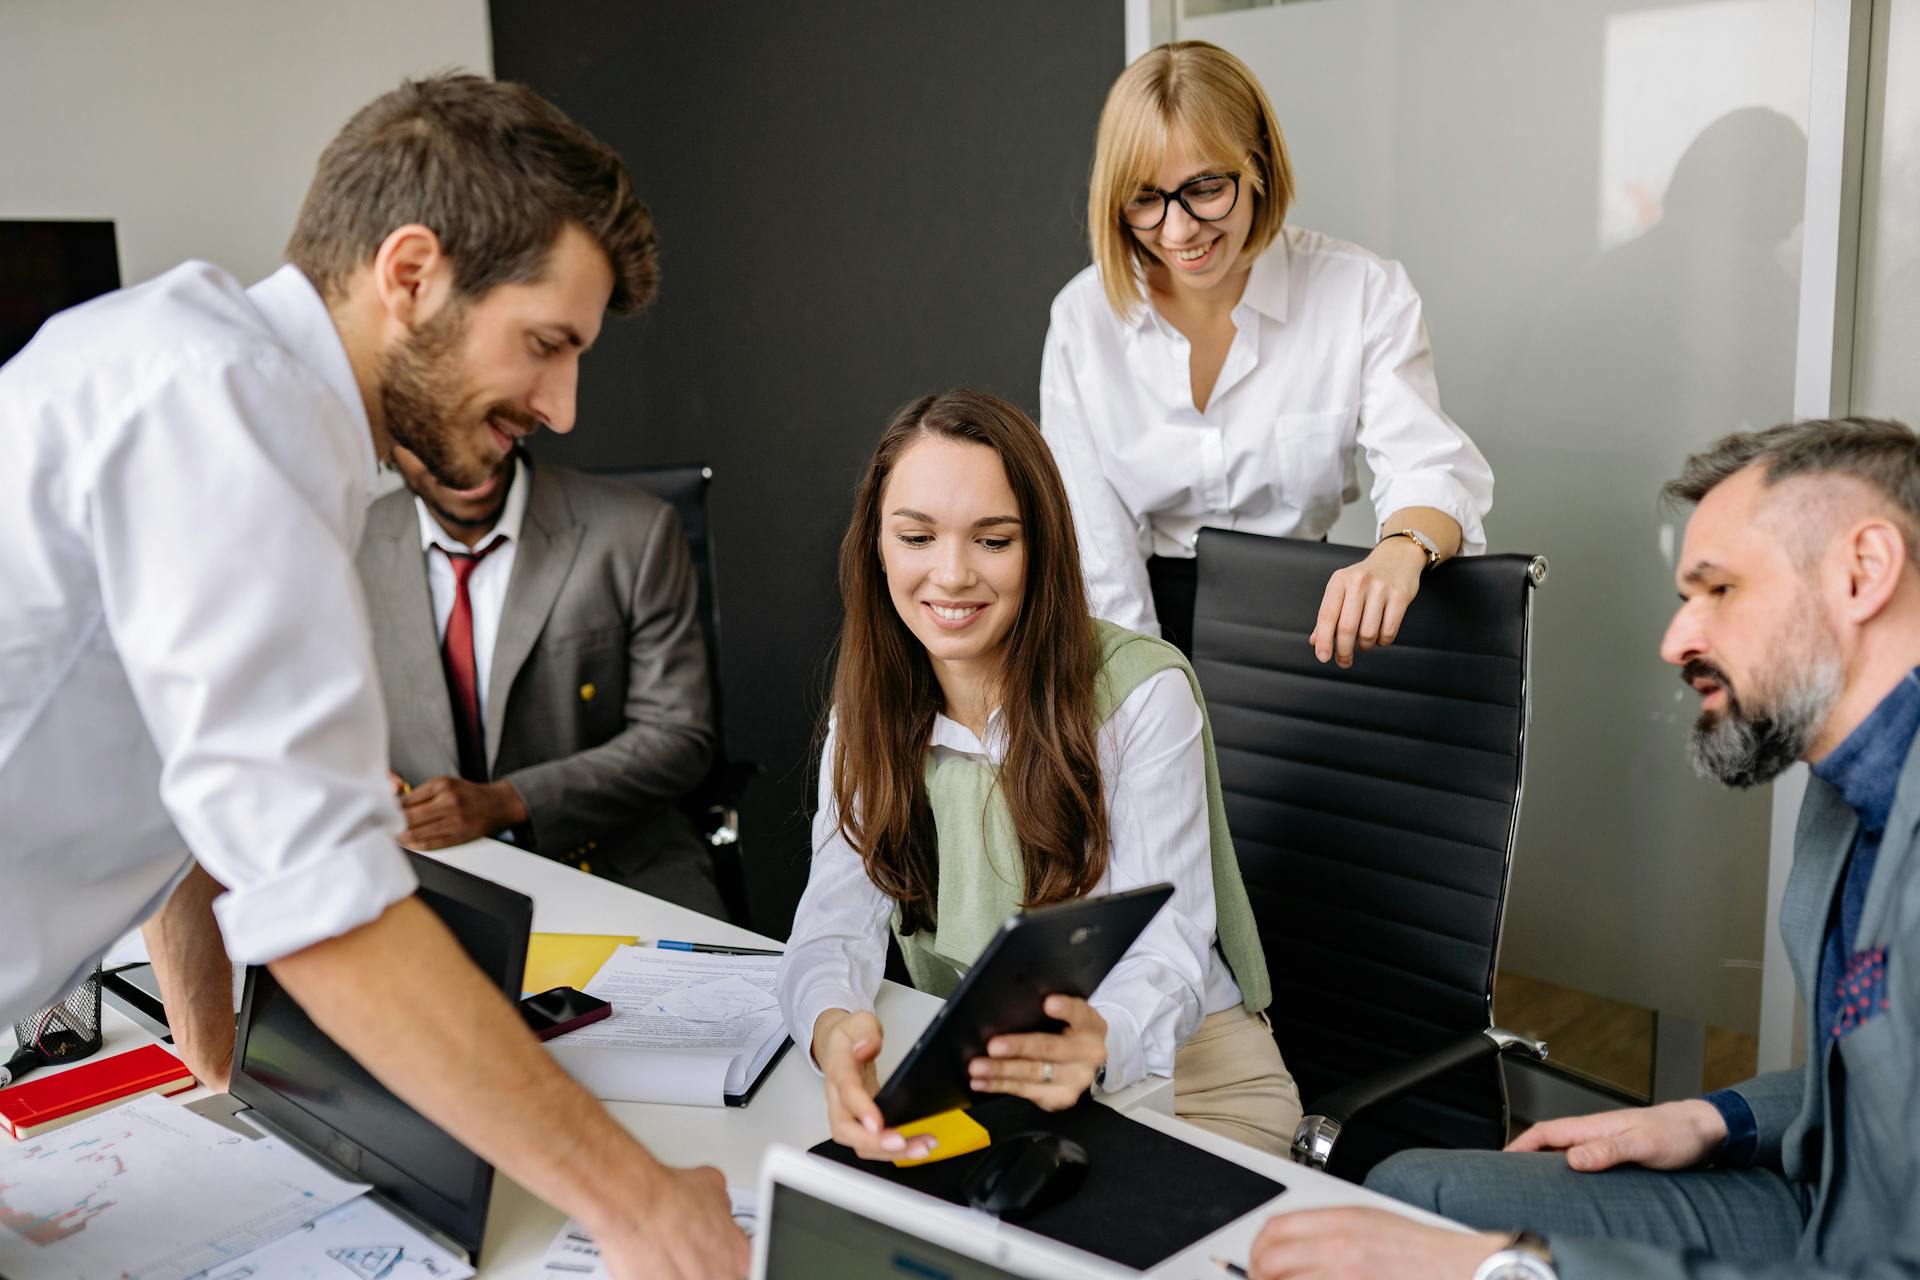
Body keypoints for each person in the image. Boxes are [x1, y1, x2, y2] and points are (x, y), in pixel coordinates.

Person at [0, 75, 743, 1279]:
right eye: (546, 344)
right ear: (411, 274)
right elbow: (328, 910)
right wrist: (644, 1205)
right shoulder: (229, 411)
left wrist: (224, 1077)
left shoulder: (200, 368)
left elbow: (194, 804)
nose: (558, 406)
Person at [1242, 417, 1920, 1280]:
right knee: (1415, 1188)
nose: (1677, 640)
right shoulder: (1843, 786)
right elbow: (1876, 1072)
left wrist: (1510, 1272)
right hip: (1822, 1198)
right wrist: (1717, 1119)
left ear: (1864, 572)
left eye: (1719, 591)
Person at [776, 389, 1300, 1161]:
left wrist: (1098, 1041)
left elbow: (1169, 948)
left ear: (1040, 550)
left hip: (1194, 1078)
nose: (950, 576)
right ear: (877, 546)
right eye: (917, 536)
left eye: (992, 541)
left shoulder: (1140, 693)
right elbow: (830, 924)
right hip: (1001, 1083)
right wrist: (832, 1027)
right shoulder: (868, 715)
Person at [1040, 40, 1493, 664]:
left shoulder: (1360, 292)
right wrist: (1143, 686)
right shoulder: (1083, 320)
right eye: (1146, 198)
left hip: (1316, 628)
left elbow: (1429, 468)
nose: (1178, 232)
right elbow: (1098, 553)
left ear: (1257, 167)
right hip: (1138, 623)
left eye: (1204, 188)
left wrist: (1399, 552)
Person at [356, 441, 728, 918]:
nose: (465, 456)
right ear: (389, 447)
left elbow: (679, 737)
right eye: (433, 440)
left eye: (480, 423)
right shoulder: (348, 546)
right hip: (426, 881)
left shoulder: (637, 530)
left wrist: (509, 802)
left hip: (618, 869)